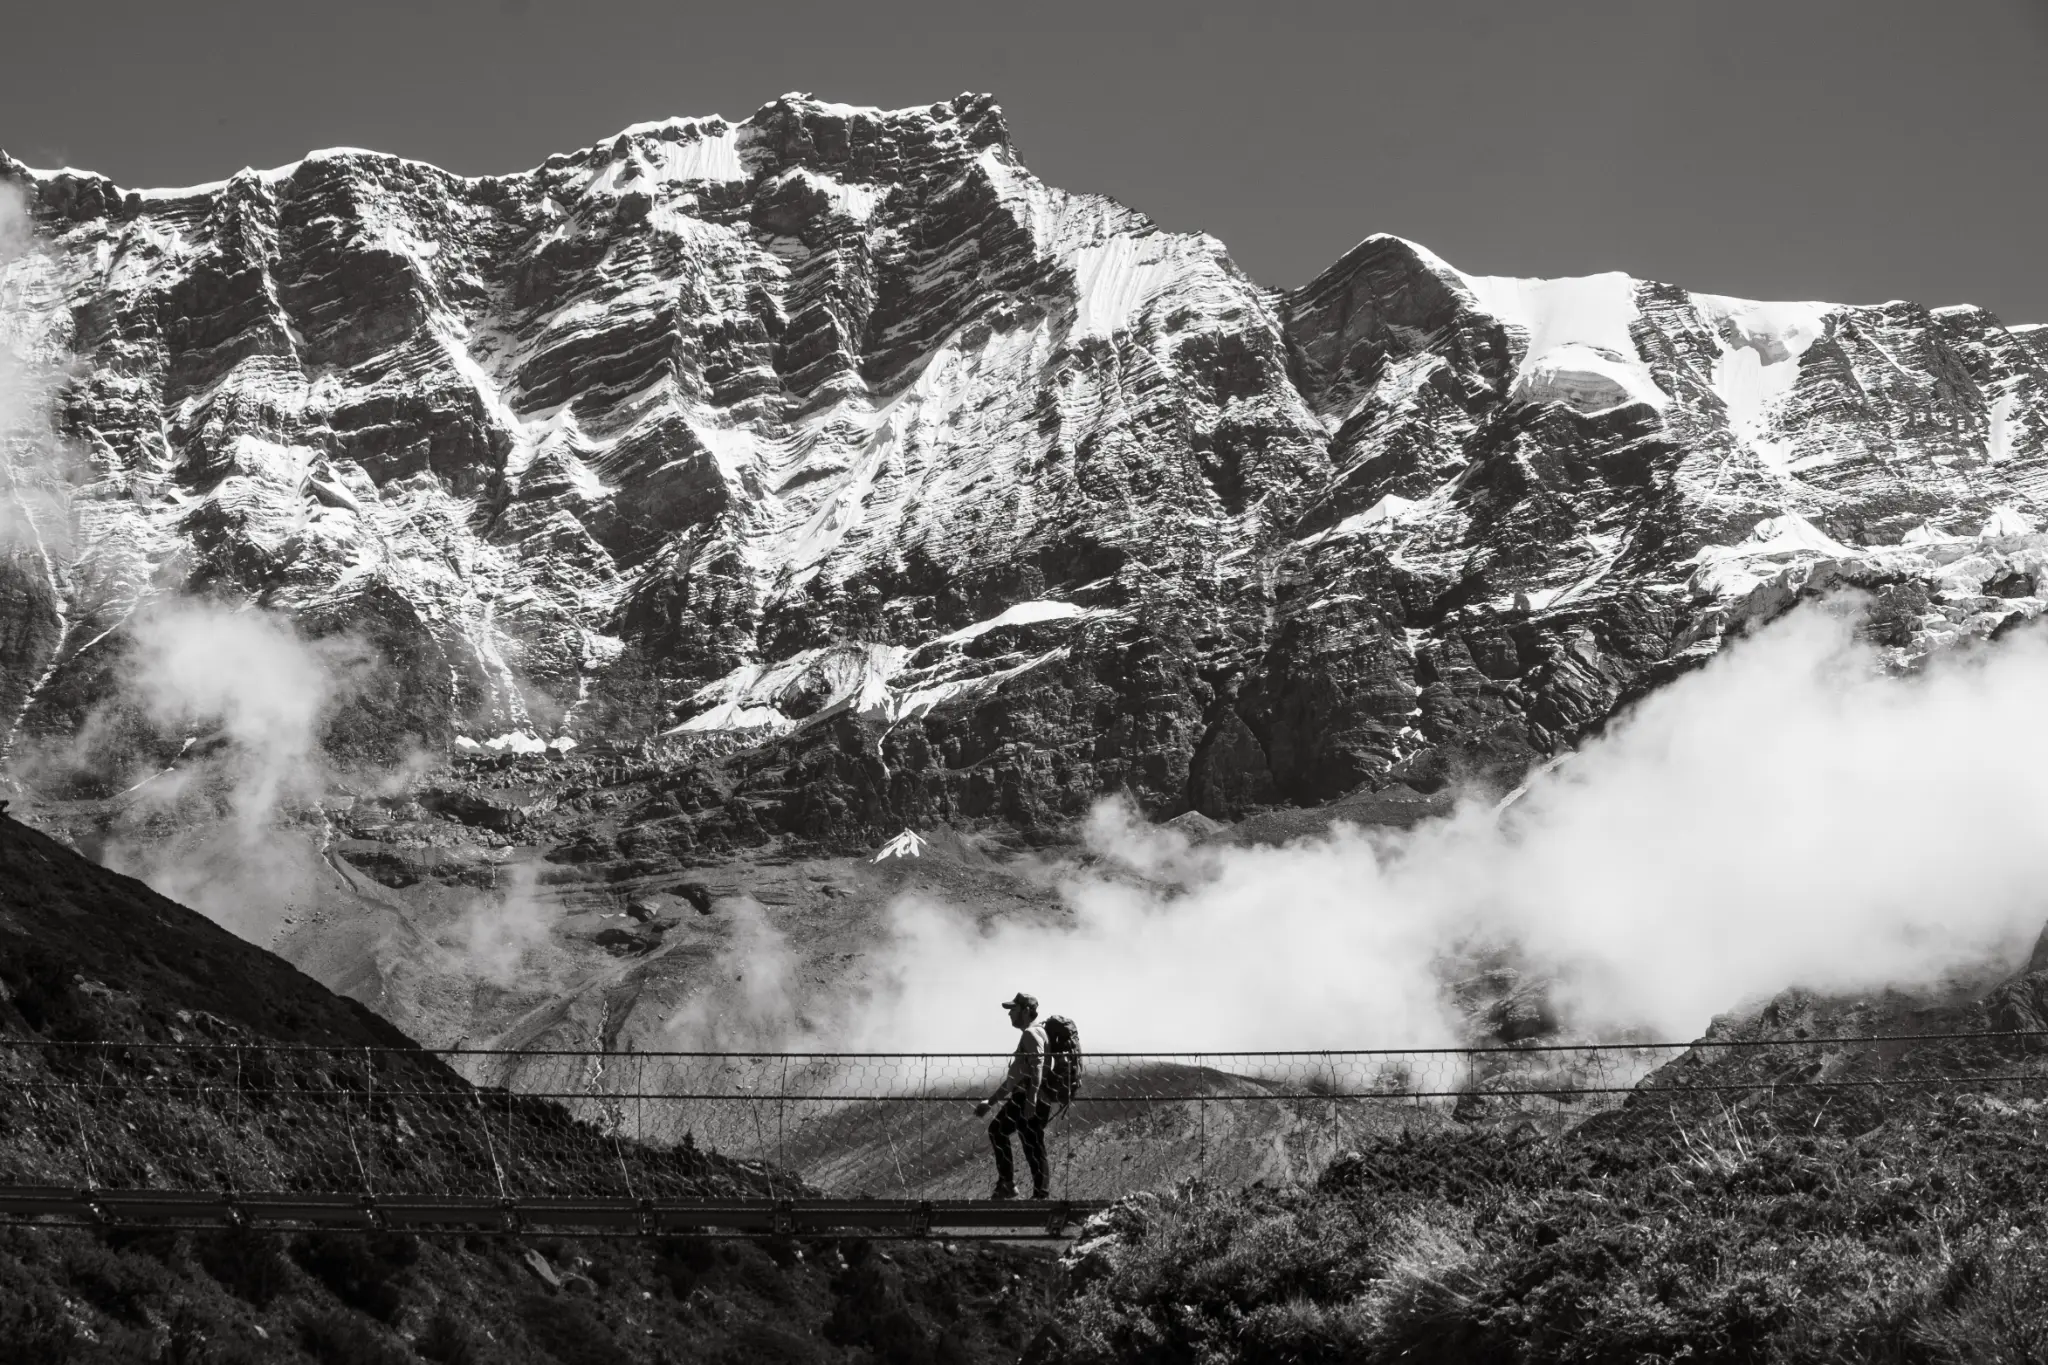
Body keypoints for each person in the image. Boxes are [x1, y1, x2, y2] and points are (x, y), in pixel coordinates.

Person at [974, 992, 1050, 1200]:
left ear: (1025, 1011)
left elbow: (1038, 1066)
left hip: (1028, 1097)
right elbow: (1012, 1080)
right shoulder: (1033, 1034)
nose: (1009, 1015)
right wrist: (990, 1103)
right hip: (1025, 1096)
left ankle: (1035, 1193)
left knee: (1030, 1143)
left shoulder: (1031, 1034)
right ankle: (1012, 1185)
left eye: (1013, 1010)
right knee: (1018, 1137)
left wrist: (1031, 1099)